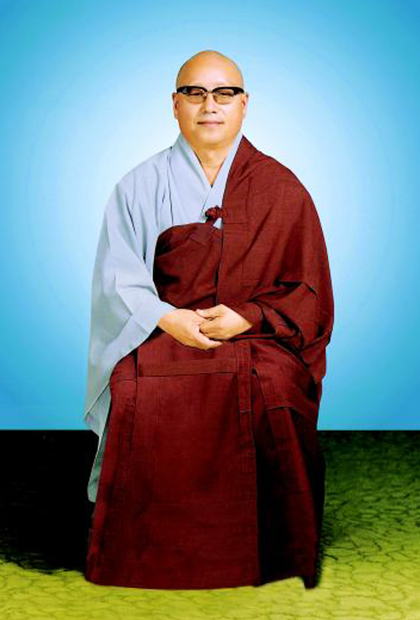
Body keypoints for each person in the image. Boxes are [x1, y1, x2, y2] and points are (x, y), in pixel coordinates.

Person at [84, 49, 334, 591]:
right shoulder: (138, 185)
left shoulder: (281, 187)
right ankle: (144, 550)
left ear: (244, 105)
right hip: (165, 329)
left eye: (224, 93)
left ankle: (275, 550)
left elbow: (307, 289)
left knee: (273, 382)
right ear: (175, 105)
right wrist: (168, 318)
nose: (209, 106)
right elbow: (118, 279)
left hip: (257, 335)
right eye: (195, 94)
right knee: (137, 384)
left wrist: (248, 317)